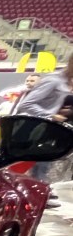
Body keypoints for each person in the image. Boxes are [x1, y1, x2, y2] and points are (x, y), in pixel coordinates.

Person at [14, 59, 73, 208]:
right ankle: (33, 196)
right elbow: (26, 104)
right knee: (31, 162)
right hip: (33, 128)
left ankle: (37, 194)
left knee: (43, 162)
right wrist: (51, 114)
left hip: (44, 128)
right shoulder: (53, 81)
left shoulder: (63, 83)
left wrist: (58, 111)